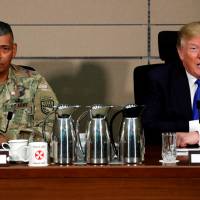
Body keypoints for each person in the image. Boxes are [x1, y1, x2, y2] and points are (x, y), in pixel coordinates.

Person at [143, 21, 200, 147]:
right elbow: (149, 126)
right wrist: (194, 126)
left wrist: (198, 135)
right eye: (194, 48)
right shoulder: (160, 79)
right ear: (181, 52)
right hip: (175, 158)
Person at [0, 21, 58, 143]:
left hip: (21, 158)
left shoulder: (33, 81)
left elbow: (48, 129)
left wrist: (9, 141)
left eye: (5, 49)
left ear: (14, 50)